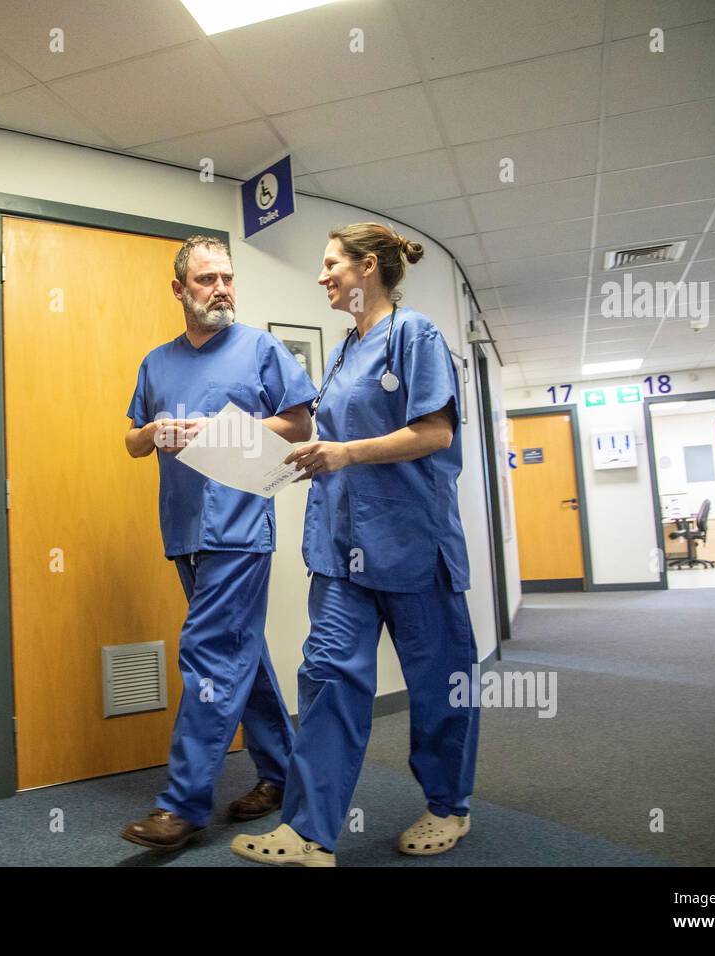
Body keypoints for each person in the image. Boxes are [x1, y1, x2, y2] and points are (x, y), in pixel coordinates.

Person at [232, 223, 480, 867]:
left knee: (438, 684)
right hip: (342, 550)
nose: (322, 276)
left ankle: (448, 806)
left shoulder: (413, 334)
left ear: (367, 267)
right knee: (327, 679)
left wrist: (344, 452)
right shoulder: (344, 350)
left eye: (331, 264)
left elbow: (434, 433)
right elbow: (331, 441)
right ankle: (309, 832)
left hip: (412, 543)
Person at [121, 235, 317, 850]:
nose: (222, 289)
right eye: (207, 280)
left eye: (227, 278)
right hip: (183, 530)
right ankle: (282, 775)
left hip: (237, 528)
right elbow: (130, 441)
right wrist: (152, 431)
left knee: (209, 652)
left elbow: (300, 424)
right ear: (180, 289)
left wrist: (223, 431)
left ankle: (181, 806)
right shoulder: (157, 361)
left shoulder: (258, 348)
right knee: (241, 652)